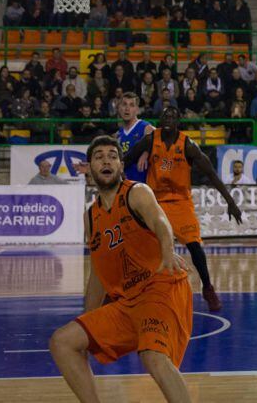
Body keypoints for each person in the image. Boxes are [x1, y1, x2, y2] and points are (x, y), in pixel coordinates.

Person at [49, 136, 192, 403]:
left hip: (159, 288)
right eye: (99, 156)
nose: (106, 160)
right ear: (89, 168)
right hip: (127, 302)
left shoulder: (136, 192)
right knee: (63, 341)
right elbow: (98, 275)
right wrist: (89, 323)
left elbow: (160, 221)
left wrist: (167, 249)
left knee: (153, 356)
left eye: (112, 155)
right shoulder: (90, 217)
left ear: (120, 165)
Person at [123, 107, 243, 312]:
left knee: (195, 246)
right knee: (141, 246)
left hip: (180, 202)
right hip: (155, 202)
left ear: (178, 120)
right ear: (160, 120)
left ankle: (207, 288)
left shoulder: (188, 145)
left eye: (172, 115)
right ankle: (136, 290)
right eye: (165, 115)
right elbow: (126, 159)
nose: (168, 117)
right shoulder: (152, 139)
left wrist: (230, 201)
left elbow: (212, 174)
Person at [117, 93, 155, 182]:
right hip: (125, 186)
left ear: (137, 110)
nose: (127, 108)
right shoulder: (118, 135)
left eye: (131, 105)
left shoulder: (146, 127)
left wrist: (146, 152)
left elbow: (159, 138)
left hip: (145, 186)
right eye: (124, 104)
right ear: (119, 108)